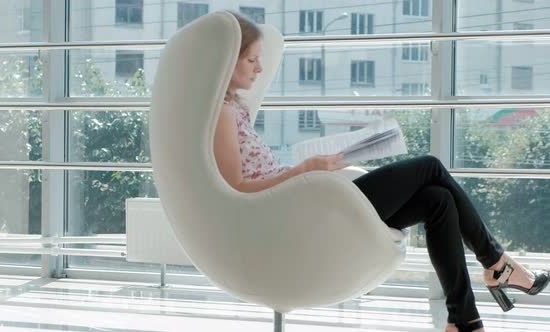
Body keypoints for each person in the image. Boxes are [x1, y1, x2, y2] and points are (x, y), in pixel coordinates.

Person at [213, 12, 549, 332]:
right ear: (228, 59)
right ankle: (497, 264)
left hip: (307, 196)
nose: (260, 68)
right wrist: (303, 170)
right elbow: (238, 188)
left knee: (438, 200)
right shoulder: (224, 114)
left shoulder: (236, 108)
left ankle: (463, 320)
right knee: (430, 166)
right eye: (251, 59)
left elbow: (256, 174)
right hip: (301, 211)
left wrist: (316, 166)